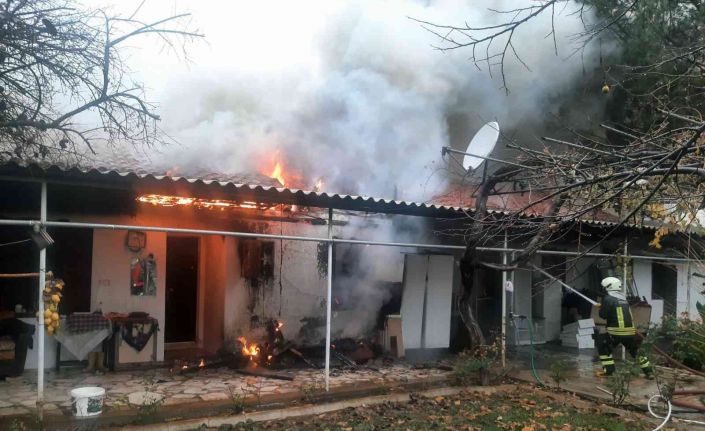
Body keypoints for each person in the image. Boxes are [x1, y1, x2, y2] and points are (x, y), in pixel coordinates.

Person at [596, 276, 653, 378]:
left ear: (609, 286)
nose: (603, 289)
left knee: (603, 346)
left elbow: (603, 315)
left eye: (604, 287)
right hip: (629, 332)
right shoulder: (623, 298)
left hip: (615, 332)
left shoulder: (607, 298)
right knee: (635, 351)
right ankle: (649, 372)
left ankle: (609, 371)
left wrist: (601, 307)